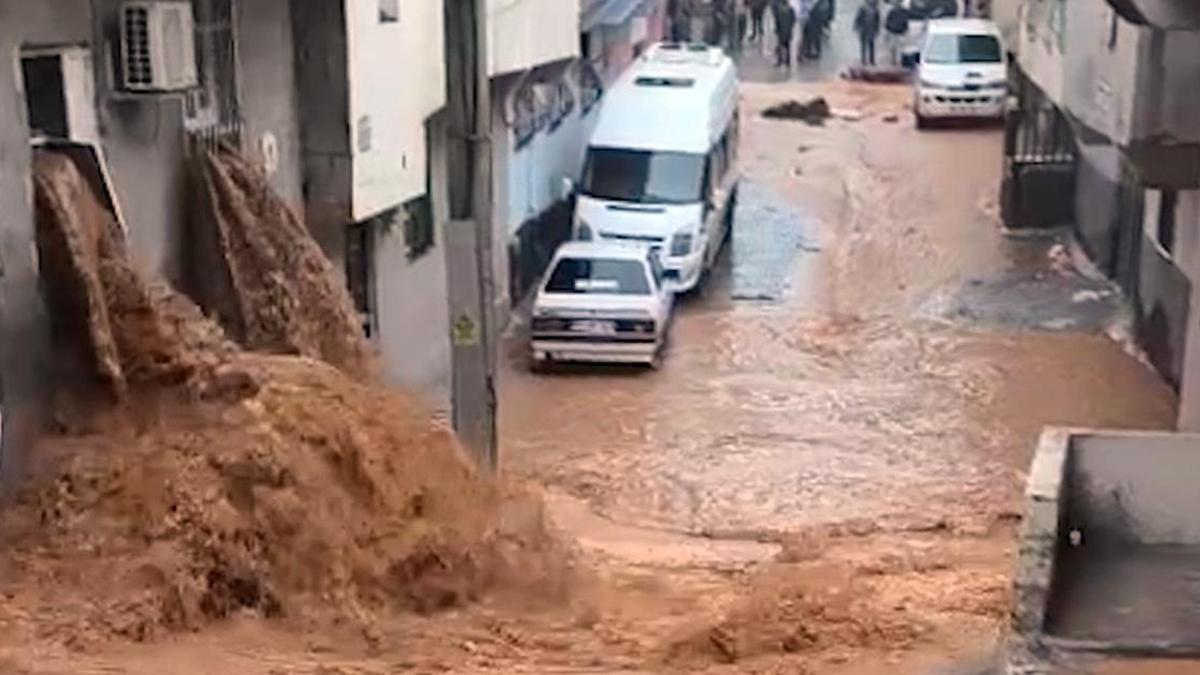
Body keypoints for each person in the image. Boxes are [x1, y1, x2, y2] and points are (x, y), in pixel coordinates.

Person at [853, 0, 881, 65]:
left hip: (869, 29)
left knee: (870, 45)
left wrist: (877, 29)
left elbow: (877, 20)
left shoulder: (875, 9)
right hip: (864, 29)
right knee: (865, 45)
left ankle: (871, 60)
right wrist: (857, 26)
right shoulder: (863, 8)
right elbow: (858, 18)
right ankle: (864, 60)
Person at [883, 0, 910, 65]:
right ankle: (895, 60)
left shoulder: (901, 11)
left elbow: (906, 20)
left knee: (898, 47)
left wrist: (906, 29)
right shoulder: (893, 11)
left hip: (899, 31)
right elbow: (888, 21)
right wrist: (887, 30)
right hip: (895, 31)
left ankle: (897, 60)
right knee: (895, 47)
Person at [773, 0, 797, 68]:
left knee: (780, 46)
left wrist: (776, 29)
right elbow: (794, 20)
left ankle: (779, 61)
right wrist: (790, 27)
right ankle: (788, 61)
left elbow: (777, 21)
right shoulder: (791, 9)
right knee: (787, 46)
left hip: (781, 31)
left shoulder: (778, 9)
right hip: (788, 31)